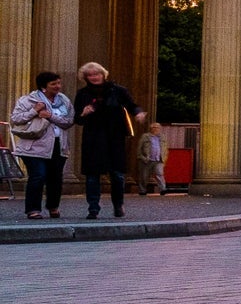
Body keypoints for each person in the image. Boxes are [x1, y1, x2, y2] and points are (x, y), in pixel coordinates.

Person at [73, 62, 141, 221]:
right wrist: (83, 113)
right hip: (93, 139)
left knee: (117, 175)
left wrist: (138, 113)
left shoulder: (118, 91)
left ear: (103, 74)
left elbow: (132, 106)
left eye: (96, 74)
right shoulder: (82, 94)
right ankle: (93, 208)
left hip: (114, 138)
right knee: (92, 176)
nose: (94, 77)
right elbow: (77, 120)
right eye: (90, 75)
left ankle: (118, 204)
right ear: (85, 78)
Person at [9, 70, 73, 220]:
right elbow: (16, 119)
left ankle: (53, 207)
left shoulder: (64, 101)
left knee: (55, 178)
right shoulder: (27, 100)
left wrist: (51, 116)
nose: (58, 86)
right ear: (44, 87)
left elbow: (69, 121)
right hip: (34, 146)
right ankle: (33, 209)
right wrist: (34, 111)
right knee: (38, 176)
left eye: (59, 83)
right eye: (54, 84)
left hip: (58, 145)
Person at [139, 120, 167, 197]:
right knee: (144, 176)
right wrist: (141, 157)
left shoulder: (162, 137)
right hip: (147, 159)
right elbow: (139, 148)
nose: (155, 129)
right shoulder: (145, 136)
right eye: (154, 127)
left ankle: (163, 189)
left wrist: (164, 158)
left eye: (157, 127)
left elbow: (165, 148)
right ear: (150, 128)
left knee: (160, 174)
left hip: (159, 159)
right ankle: (142, 190)